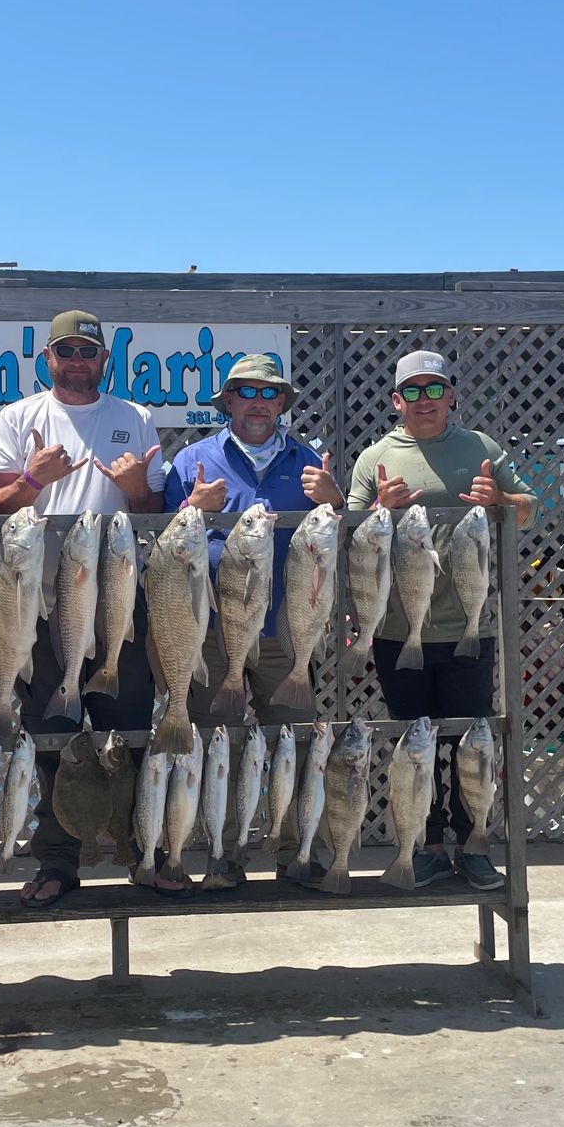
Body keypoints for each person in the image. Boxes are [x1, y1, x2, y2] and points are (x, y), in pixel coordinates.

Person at [0, 309, 166, 907]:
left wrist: (136, 487)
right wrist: (34, 481)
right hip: (40, 597)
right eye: (66, 351)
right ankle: (59, 860)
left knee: (129, 725)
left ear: (104, 359)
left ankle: (139, 848)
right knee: (53, 731)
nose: (77, 360)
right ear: (48, 359)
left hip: (115, 591)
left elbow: (153, 510)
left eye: (88, 350)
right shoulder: (18, 418)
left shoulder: (135, 418)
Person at [345, 348, 537, 891]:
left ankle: (474, 841)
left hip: (466, 627)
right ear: (395, 400)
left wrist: (500, 498)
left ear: (451, 395)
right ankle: (426, 846)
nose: (424, 401)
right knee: (413, 742)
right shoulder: (374, 457)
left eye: (435, 389)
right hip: (396, 630)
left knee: (470, 741)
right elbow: (351, 532)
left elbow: (528, 507)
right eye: (413, 391)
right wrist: (377, 507)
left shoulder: (482, 448)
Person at [163, 353, 343, 886]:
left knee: (294, 744)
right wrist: (190, 506)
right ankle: (223, 853)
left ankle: (295, 853)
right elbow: (170, 550)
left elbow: (337, 542)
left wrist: (335, 501)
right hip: (216, 630)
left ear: (282, 402)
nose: (258, 403)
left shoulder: (310, 461)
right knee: (219, 744)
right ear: (228, 402)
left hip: (288, 630)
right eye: (246, 392)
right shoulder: (192, 461)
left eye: (269, 394)